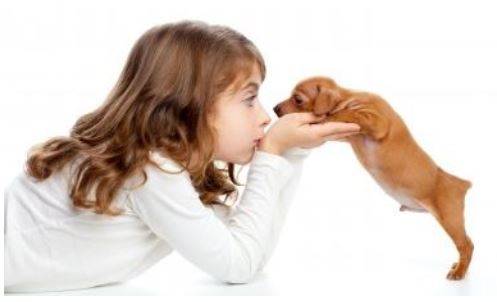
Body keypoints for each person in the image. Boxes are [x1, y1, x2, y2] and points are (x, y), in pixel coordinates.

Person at [4, 20, 360, 293]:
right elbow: (238, 266)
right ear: (191, 107)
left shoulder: (174, 173)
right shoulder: (149, 169)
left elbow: (251, 250)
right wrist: (274, 152)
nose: (266, 116)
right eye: (249, 99)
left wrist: (289, 154)